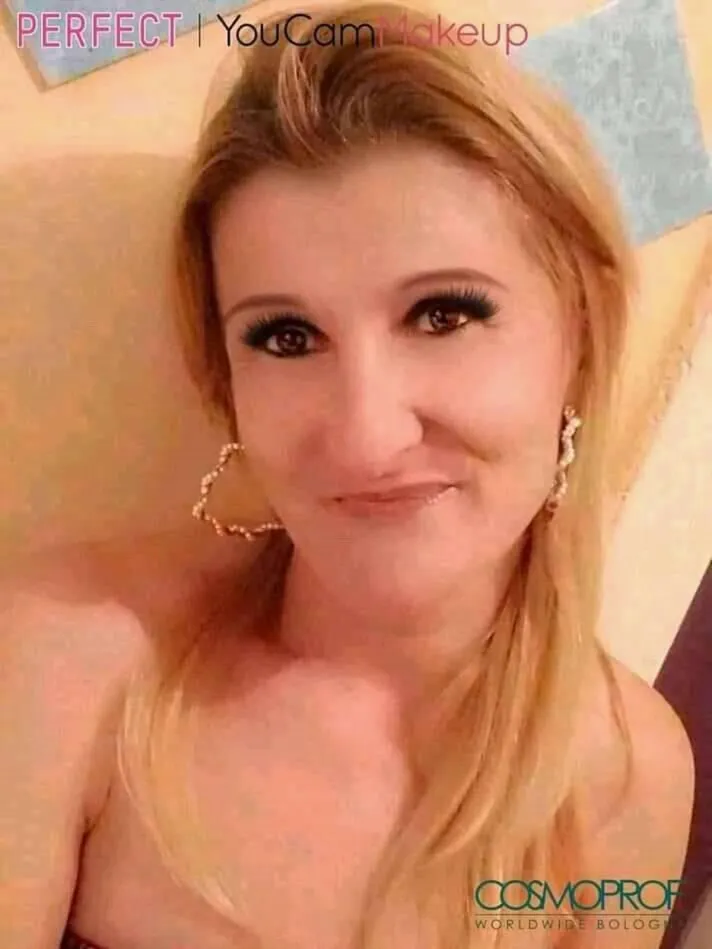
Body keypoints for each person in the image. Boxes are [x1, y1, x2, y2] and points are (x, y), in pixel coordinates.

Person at [0, 2, 695, 948]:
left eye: (444, 315)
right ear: (225, 380)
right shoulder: (68, 657)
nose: (367, 436)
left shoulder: (631, 777)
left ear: (578, 339)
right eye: (287, 336)